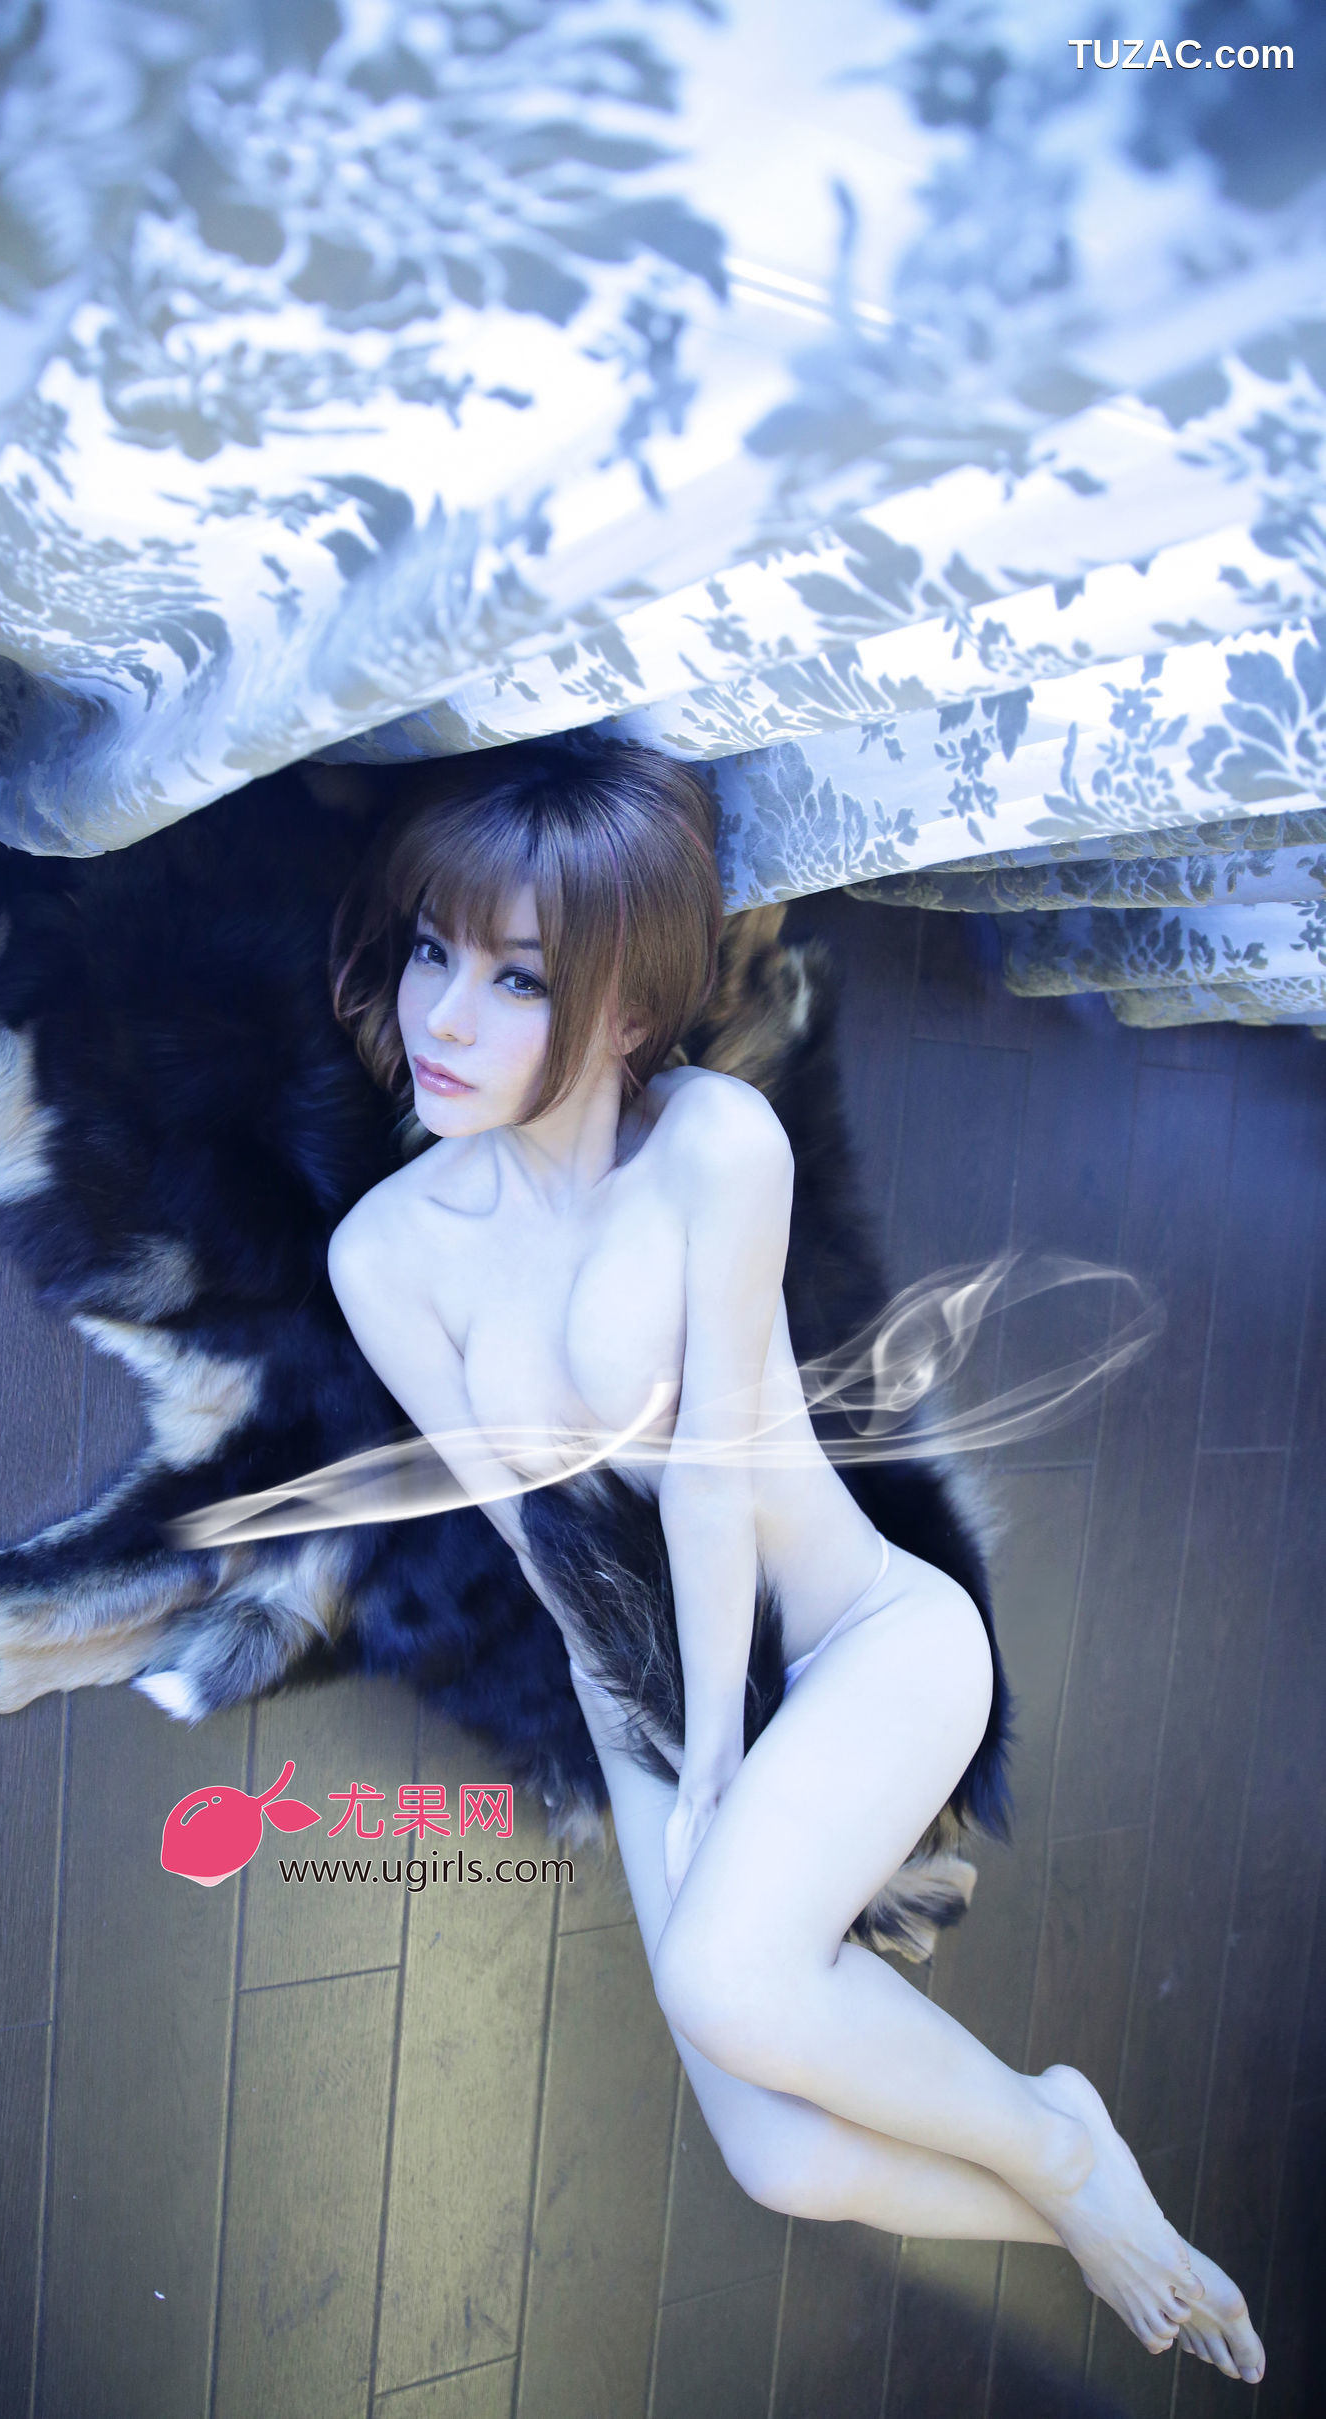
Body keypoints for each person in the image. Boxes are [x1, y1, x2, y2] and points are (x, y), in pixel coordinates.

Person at [324, 742, 1263, 2386]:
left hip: (862, 1641)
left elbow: (716, 1480)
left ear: (626, 1009)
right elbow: (541, 1538)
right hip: (629, 1659)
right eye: (429, 953)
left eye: (516, 978)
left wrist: (715, 1761)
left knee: (725, 1978)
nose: (441, 1019)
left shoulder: (715, 1142)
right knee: (781, 2158)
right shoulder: (385, 1253)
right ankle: (1077, 2186)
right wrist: (658, 1749)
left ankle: (1056, 2152)